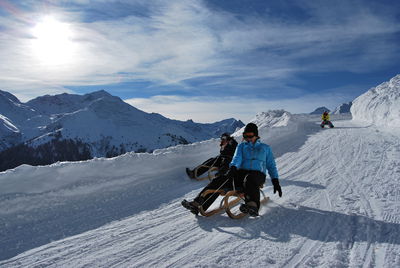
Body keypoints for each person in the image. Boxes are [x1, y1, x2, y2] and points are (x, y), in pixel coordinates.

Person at [182, 123, 282, 217]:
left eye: (250, 135)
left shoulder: (265, 148)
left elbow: (271, 165)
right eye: (245, 135)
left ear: (256, 135)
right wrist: (233, 167)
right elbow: (236, 158)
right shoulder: (241, 146)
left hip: (257, 175)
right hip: (241, 173)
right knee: (221, 178)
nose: (248, 138)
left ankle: (252, 206)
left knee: (250, 179)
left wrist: (275, 181)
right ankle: (198, 203)